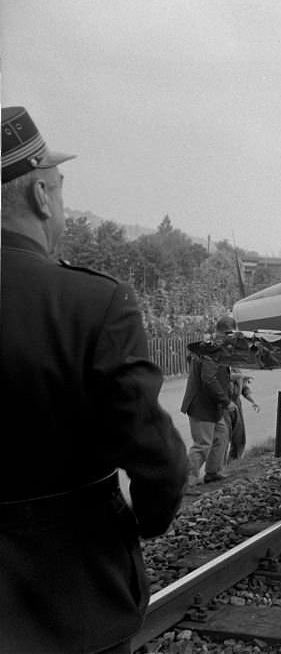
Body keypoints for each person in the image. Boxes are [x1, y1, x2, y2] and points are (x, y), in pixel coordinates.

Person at [0, 106, 188, 653]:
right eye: (58, 190)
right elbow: (161, 462)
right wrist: (146, 524)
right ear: (40, 196)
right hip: (76, 595)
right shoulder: (93, 303)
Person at [181, 314, 237, 484]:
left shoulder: (216, 348)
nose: (233, 339)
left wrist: (235, 376)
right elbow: (209, 379)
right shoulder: (211, 350)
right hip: (201, 406)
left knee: (221, 436)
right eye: (231, 334)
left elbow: (217, 375)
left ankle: (213, 472)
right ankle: (186, 480)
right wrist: (227, 402)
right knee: (202, 444)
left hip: (212, 407)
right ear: (225, 333)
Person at [226, 369, 260, 462]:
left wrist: (253, 401)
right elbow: (225, 377)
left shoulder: (236, 368)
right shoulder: (221, 366)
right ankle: (218, 466)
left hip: (236, 403)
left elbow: (244, 388)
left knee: (239, 436)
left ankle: (234, 461)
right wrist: (240, 376)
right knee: (223, 437)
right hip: (224, 403)